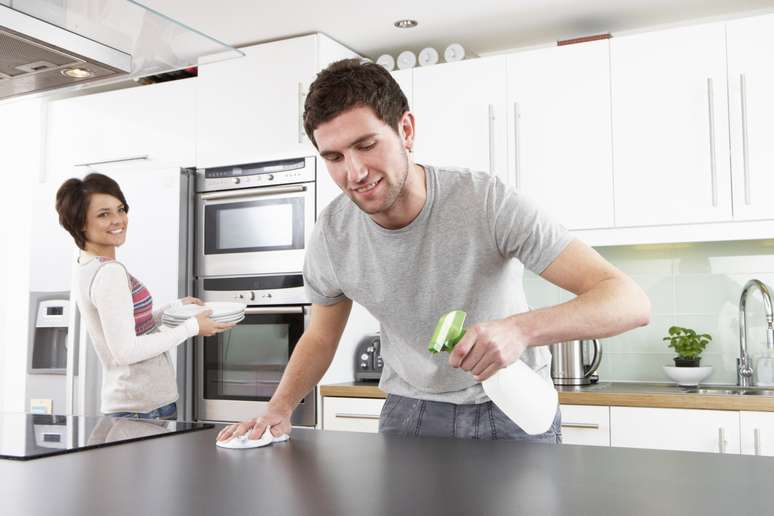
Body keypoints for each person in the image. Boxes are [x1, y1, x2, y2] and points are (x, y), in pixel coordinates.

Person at [217, 58, 651, 443]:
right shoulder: (332, 234)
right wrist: (279, 407)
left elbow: (629, 301)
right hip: (410, 413)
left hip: (511, 407)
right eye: (334, 157)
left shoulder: (485, 201)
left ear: (406, 130)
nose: (355, 172)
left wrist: (519, 331)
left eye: (366, 145)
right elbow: (320, 336)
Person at [56, 173, 234, 419]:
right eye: (103, 214)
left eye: (120, 209)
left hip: (136, 404)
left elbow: (127, 326)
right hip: (143, 408)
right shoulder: (109, 273)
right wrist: (191, 327)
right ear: (81, 223)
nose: (118, 220)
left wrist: (173, 308)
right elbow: (126, 351)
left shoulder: (86, 264)